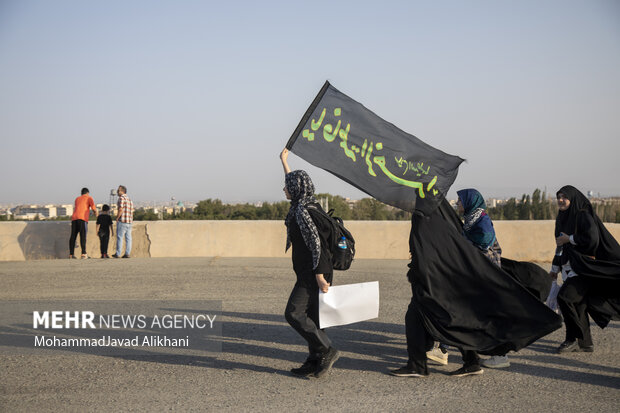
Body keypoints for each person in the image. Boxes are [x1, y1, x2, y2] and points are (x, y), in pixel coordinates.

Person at [390, 198, 562, 378]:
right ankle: (468, 361)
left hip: (434, 282)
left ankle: (419, 365)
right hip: (445, 280)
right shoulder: (442, 220)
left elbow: (426, 253)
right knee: (455, 319)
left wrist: (419, 274)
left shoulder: (425, 219)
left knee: (432, 318)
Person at [280, 148, 340, 378]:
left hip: (314, 273)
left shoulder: (304, 211)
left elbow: (318, 246)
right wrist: (284, 161)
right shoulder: (303, 203)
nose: (284, 189)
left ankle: (327, 350)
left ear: (296, 188)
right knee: (314, 318)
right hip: (311, 271)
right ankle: (314, 361)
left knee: (293, 313)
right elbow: (294, 179)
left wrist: (319, 275)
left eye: (287, 186)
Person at [550, 185, 620, 353]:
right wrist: (555, 267)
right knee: (578, 303)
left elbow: (592, 239)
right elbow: (560, 245)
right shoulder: (562, 218)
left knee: (565, 298)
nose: (560, 200)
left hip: (584, 268)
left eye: (564, 197)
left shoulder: (582, 214)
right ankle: (585, 342)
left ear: (572, 198)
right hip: (568, 267)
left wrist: (570, 239)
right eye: (558, 196)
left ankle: (571, 338)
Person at [456, 189, 509, 369]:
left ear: (470, 202)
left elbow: (486, 240)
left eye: (460, 201)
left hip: (488, 274)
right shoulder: (471, 219)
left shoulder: (482, 219)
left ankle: (500, 355)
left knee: (488, 315)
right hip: (478, 273)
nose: (458, 203)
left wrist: (466, 244)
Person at [69, 187, 98, 259]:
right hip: (82, 219)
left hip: (74, 219)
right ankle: (83, 254)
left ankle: (71, 254)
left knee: (73, 236)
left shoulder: (77, 199)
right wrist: (97, 215)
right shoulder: (89, 198)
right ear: (87, 193)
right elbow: (94, 209)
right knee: (83, 236)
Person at [112, 185, 134, 258]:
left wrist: (117, 217)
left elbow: (120, 209)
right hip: (129, 221)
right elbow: (131, 211)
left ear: (122, 191)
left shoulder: (121, 198)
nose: (117, 192)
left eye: (118, 190)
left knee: (120, 237)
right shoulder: (130, 200)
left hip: (123, 221)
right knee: (128, 238)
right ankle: (127, 253)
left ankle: (118, 253)